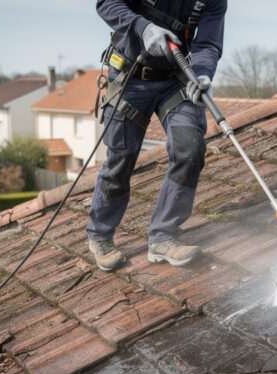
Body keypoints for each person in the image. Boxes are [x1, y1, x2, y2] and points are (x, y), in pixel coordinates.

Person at [88, 0, 226, 272]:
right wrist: (144, 28)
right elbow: (107, 3)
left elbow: (208, 44)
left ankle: (164, 236)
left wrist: (202, 75)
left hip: (177, 79)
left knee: (190, 149)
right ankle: (100, 236)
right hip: (130, 75)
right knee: (121, 158)